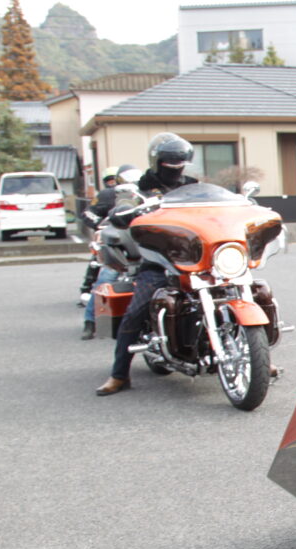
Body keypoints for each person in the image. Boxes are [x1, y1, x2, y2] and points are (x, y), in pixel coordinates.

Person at [95, 134, 197, 396]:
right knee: (135, 310)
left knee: (248, 291)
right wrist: (122, 211)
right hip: (158, 261)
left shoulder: (193, 187)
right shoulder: (140, 189)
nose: (175, 167)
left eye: (180, 162)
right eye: (170, 162)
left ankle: (255, 355)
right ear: (157, 161)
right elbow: (122, 207)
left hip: (197, 258)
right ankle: (119, 375)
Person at [79, 165, 136, 339]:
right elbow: (88, 213)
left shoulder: (149, 195)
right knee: (106, 278)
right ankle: (90, 322)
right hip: (119, 243)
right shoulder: (108, 195)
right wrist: (101, 225)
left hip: (142, 242)